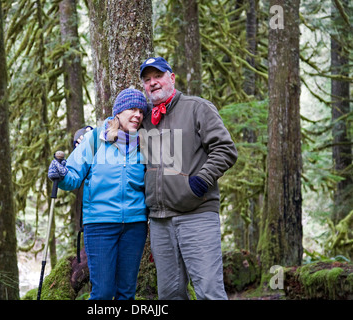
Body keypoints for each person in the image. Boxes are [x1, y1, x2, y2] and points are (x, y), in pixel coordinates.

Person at [139, 56, 238, 300]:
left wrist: (200, 182)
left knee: (209, 292)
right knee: (170, 295)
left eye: (158, 76)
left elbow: (226, 149)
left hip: (197, 214)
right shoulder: (144, 119)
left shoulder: (197, 107)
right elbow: (116, 130)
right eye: (147, 79)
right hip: (160, 221)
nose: (153, 83)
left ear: (171, 78)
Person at [48, 88, 148, 300]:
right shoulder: (94, 139)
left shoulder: (145, 143)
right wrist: (60, 173)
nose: (138, 114)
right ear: (118, 112)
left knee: (127, 293)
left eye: (141, 111)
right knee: (102, 293)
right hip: (100, 225)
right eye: (132, 109)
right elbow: (72, 176)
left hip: (135, 225)